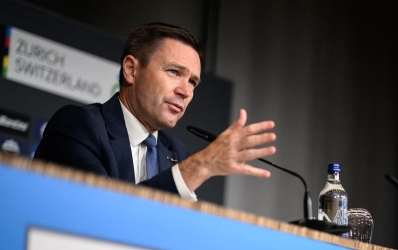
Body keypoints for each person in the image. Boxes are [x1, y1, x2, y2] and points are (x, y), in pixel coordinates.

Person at [34, 23, 276, 201]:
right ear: (131, 70)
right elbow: (103, 213)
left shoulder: (175, 151)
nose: (185, 91)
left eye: (193, 82)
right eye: (173, 72)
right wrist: (200, 166)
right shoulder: (78, 125)